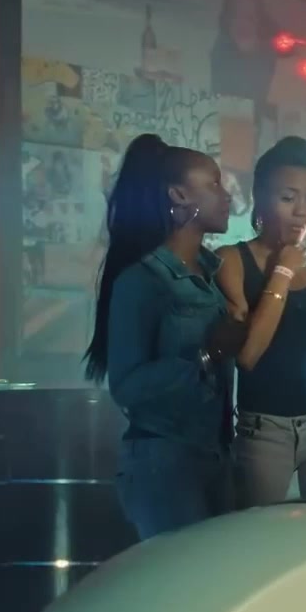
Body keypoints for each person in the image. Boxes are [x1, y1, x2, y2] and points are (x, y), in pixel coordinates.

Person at [84, 133, 241, 541]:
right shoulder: (143, 280)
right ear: (179, 195)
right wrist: (206, 356)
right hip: (164, 462)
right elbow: (126, 385)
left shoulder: (212, 275)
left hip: (215, 456)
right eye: (213, 183)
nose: (227, 196)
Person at [216, 136, 306, 508]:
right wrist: (283, 272)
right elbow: (248, 355)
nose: (302, 211)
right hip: (263, 429)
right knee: (259, 534)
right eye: (288, 198)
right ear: (260, 197)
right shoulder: (231, 260)